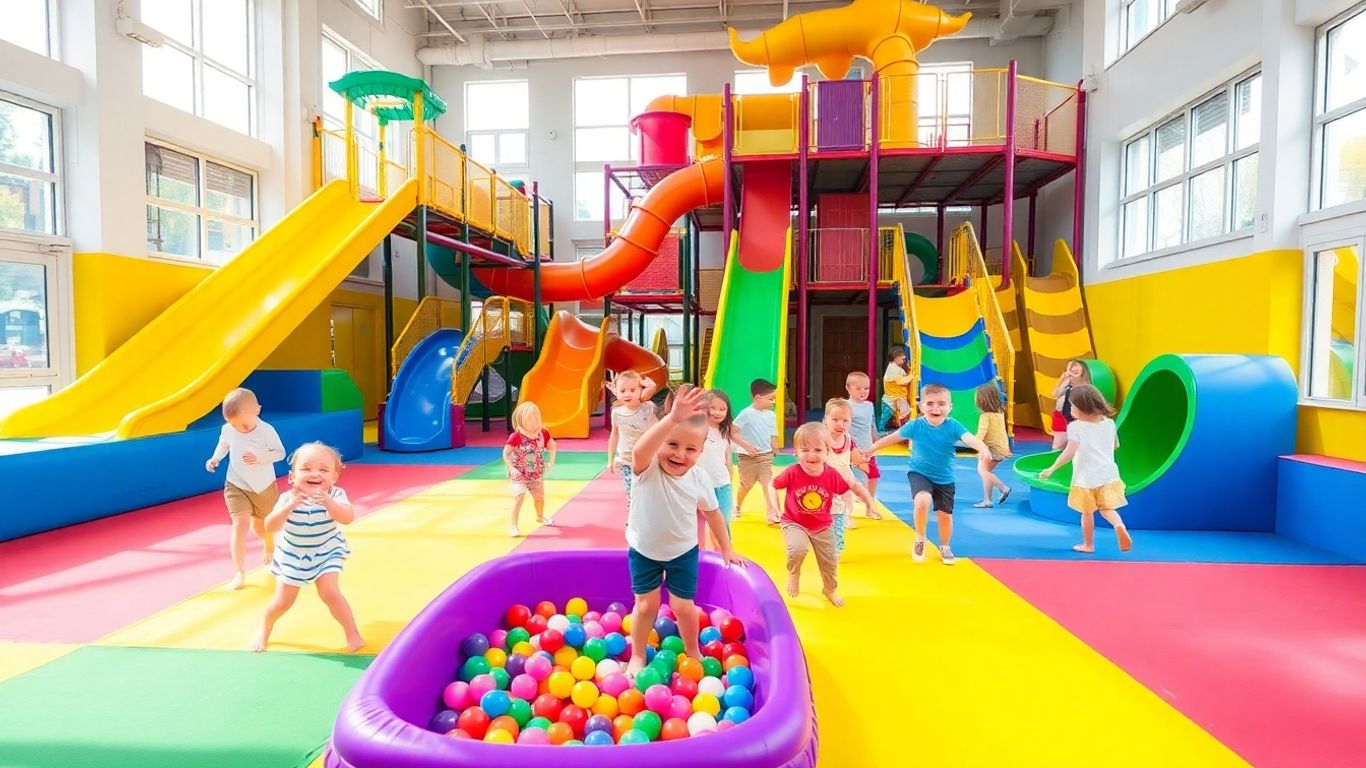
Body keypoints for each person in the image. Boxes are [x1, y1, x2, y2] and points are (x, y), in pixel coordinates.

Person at [623, 386, 742, 677]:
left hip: (683, 552)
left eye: (690, 449)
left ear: (701, 451)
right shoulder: (647, 469)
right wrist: (672, 419)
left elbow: (713, 514)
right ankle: (637, 654)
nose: (680, 454)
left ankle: (693, 651)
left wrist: (726, 547)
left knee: (684, 607)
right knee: (646, 606)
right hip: (644, 550)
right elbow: (639, 450)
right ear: (659, 441)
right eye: (672, 444)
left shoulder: (699, 478)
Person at [252, 442, 364, 653]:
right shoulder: (287, 499)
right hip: (292, 555)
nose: (315, 473)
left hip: (326, 551)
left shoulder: (336, 495)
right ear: (292, 477)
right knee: (283, 602)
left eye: (323, 470)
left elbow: (347, 518)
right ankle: (264, 629)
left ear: (334, 477)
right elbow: (270, 526)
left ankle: (352, 633)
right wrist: (289, 507)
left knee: (330, 593)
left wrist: (329, 503)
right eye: (306, 468)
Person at [867, 383, 993, 565]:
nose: (936, 408)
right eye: (930, 403)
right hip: (920, 473)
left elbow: (968, 438)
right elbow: (892, 438)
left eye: (941, 404)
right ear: (921, 406)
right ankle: (920, 538)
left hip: (944, 478)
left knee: (944, 515)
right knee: (922, 501)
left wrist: (981, 446)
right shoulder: (915, 426)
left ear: (950, 407)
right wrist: (872, 449)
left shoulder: (953, 426)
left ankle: (945, 545)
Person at [773, 422, 876, 606]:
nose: (812, 455)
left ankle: (829, 589)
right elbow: (773, 485)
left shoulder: (831, 475)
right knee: (797, 549)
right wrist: (775, 507)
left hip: (822, 525)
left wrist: (869, 502)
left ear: (827, 452)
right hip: (794, 521)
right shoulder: (792, 472)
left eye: (818, 450)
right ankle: (795, 572)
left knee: (829, 561)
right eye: (805, 450)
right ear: (796, 453)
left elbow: (851, 487)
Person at [205, 387, 285, 590]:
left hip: (263, 487)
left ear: (257, 410)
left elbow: (280, 453)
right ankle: (239, 572)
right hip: (236, 484)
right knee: (239, 525)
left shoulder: (266, 431)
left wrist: (260, 458)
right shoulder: (228, 429)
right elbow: (224, 444)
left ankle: (269, 545)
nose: (239, 429)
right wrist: (215, 458)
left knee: (261, 527)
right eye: (234, 425)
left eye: (244, 425)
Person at [1039, 383, 1134, 554]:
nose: (1071, 409)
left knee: (1087, 512)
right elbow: (1115, 445)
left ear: (1082, 408)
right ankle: (1119, 525)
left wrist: (1052, 468)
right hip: (1108, 475)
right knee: (1107, 509)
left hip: (1085, 478)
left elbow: (1069, 452)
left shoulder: (1076, 427)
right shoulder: (1109, 423)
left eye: (1072, 405)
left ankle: (1088, 545)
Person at [696, 388, 760, 550]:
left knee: (723, 520)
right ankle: (699, 551)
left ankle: (724, 551)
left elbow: (729, 453)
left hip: (722, 484)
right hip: (699, 484)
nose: (717, 412)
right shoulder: (698, 428)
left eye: (722, 409)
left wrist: (730, 476)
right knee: (698, 522)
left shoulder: (725, 431)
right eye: (713, 408)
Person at [822, 398, 881, 554]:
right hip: (824, 485)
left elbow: (856, 459)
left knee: (840, 516)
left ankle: (836, 550)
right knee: (822, 520)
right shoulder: (822, 439)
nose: (840, 424)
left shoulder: (848, 440)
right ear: (826, 419)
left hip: (843, 484)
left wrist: (865, 458)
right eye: (835, 420)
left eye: (845, 421)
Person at [606, 371, 659, 507]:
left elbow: (657, 431)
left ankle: (648, 513)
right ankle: (633, 515)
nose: (627, 394)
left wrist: (650, 387)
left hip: (647, 459)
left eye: (632, 390)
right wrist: (610, 459)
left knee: (648, 490)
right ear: (616, 392)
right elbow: (614, 435)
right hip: (626, 459)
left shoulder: (648, 408)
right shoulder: (616, 412)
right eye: (622, 391)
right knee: (631, 491)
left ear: (641, 390)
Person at [504, 402, 557, 537]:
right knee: (519, 498)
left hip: (535, 473)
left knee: (539, 498)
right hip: (519, 473)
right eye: (530, 419)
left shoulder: (543, 434)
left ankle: (540, 516)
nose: (535, 422)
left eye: (536, 418)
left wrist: (551, 461)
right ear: (521, 421)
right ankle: (513, 525)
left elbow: (552, 446)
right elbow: (506, 453)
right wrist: (511, 468)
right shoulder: (517, 437)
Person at [732, 378, 780, 524]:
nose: (773, 402)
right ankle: (737, 505)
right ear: (758, 398)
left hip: (765, 456)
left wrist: (775, 448)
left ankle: (773, 513)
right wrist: (745, 445)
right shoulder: (746, 414)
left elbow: (773, 434)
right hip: (748, 458)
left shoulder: (771, 415)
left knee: (769, 484)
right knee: (746, 485)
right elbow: (733, 432)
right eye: (771, 399)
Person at [845, 371, 882, 512]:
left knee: (874, 475)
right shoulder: (846, 406)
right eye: (858, 388)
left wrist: (876, 440)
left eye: (866, 388)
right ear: (848, 388)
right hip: (851, 449)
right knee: (848, 478)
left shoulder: (869, 406)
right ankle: (847, 505)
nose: (863, 392)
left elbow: (871, 424)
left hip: (867, 448)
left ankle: (869, 502)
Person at [972, 383, 1014, 508]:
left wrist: (970, 442)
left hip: (992, 449)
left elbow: (981, 434)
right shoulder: (999, 412)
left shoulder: (985, 416)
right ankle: (987, 500)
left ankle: (1003, 488)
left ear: (981, 400)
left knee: (982, 470)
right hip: (1001, 448)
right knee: (987, 471)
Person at [1050, 359, 1092, 449]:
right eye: (1070, 367)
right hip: (1061, 415)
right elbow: (1055, 394)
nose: (1072, 368)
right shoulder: (1067, 382)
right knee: (1058, 444)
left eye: (1075, 365)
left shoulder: (1085, 384)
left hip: (1076, 416)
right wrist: (1061, 380)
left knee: (1075, 442)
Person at [883, 348, 915, 428]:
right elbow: (901, 381)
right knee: (905, 410)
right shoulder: (892, 369)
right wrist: (912, 376)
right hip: (894, 397)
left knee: (904, 410)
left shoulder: (896, 368)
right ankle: (900, 423)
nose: (904, 361)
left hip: (898, 397)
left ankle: (898, 422)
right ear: (896, 358)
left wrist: (909, 372)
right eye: (903, 359)